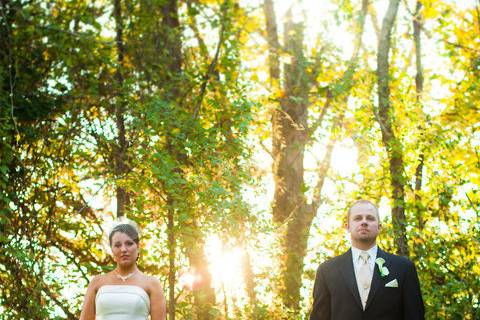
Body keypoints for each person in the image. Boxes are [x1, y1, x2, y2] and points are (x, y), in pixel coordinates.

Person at [310, 199, 424, 320]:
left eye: (370, 218)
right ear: (347, 227)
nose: (364, 222)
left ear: (379, 227)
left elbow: (415, 315)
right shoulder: (327, 270)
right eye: (358, 218)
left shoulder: (404, 268)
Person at [80, 221, 166, 320]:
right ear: (111, 249)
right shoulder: (97, 282)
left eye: (129, 244)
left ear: (138, 247)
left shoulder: (152, 284)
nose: (123, 249)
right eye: (117, 245)